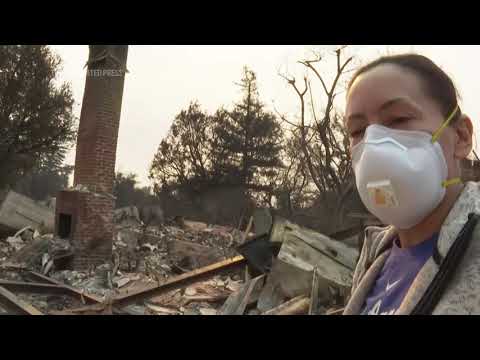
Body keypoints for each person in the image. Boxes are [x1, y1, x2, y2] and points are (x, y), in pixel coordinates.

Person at [342, 53, 480, 315]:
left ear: (461, 137)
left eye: (398, 120)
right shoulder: (375, 255)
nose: (373, 146)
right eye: (358, 131)